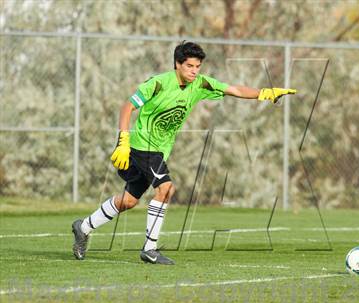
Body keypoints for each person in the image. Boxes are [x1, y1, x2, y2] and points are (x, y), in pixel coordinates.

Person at [71, 41, 296, 265]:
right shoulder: (158, 83)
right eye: (189, 66)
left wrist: (265, 93)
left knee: (129, 201)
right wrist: (123, 140)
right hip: (142, 145)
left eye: (197, 66)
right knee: (166, 189)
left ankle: (83, 227)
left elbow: (234, 90)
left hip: (159, 149)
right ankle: (149, 249)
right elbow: (127, 107)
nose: (194, 71)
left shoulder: (200, 84)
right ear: (177, 64)